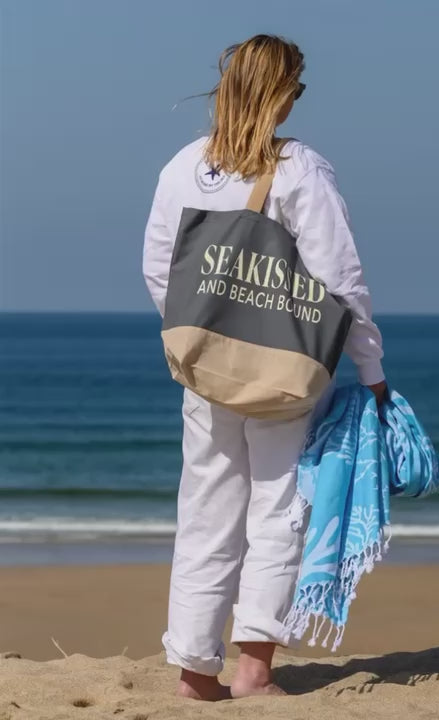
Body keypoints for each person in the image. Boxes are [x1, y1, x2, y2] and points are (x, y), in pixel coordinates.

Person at [142, 34, 386, 700]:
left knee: (205, 511)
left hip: (206, 369)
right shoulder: (299, 168)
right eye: (295, 90)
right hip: (285, 370)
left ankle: (196, 673)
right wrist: (370, 367)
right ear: (281, 94)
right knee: (278, 510)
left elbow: (160, 268)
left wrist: (198, 338)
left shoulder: (184, 166)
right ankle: (253, 671)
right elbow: (341, 280)